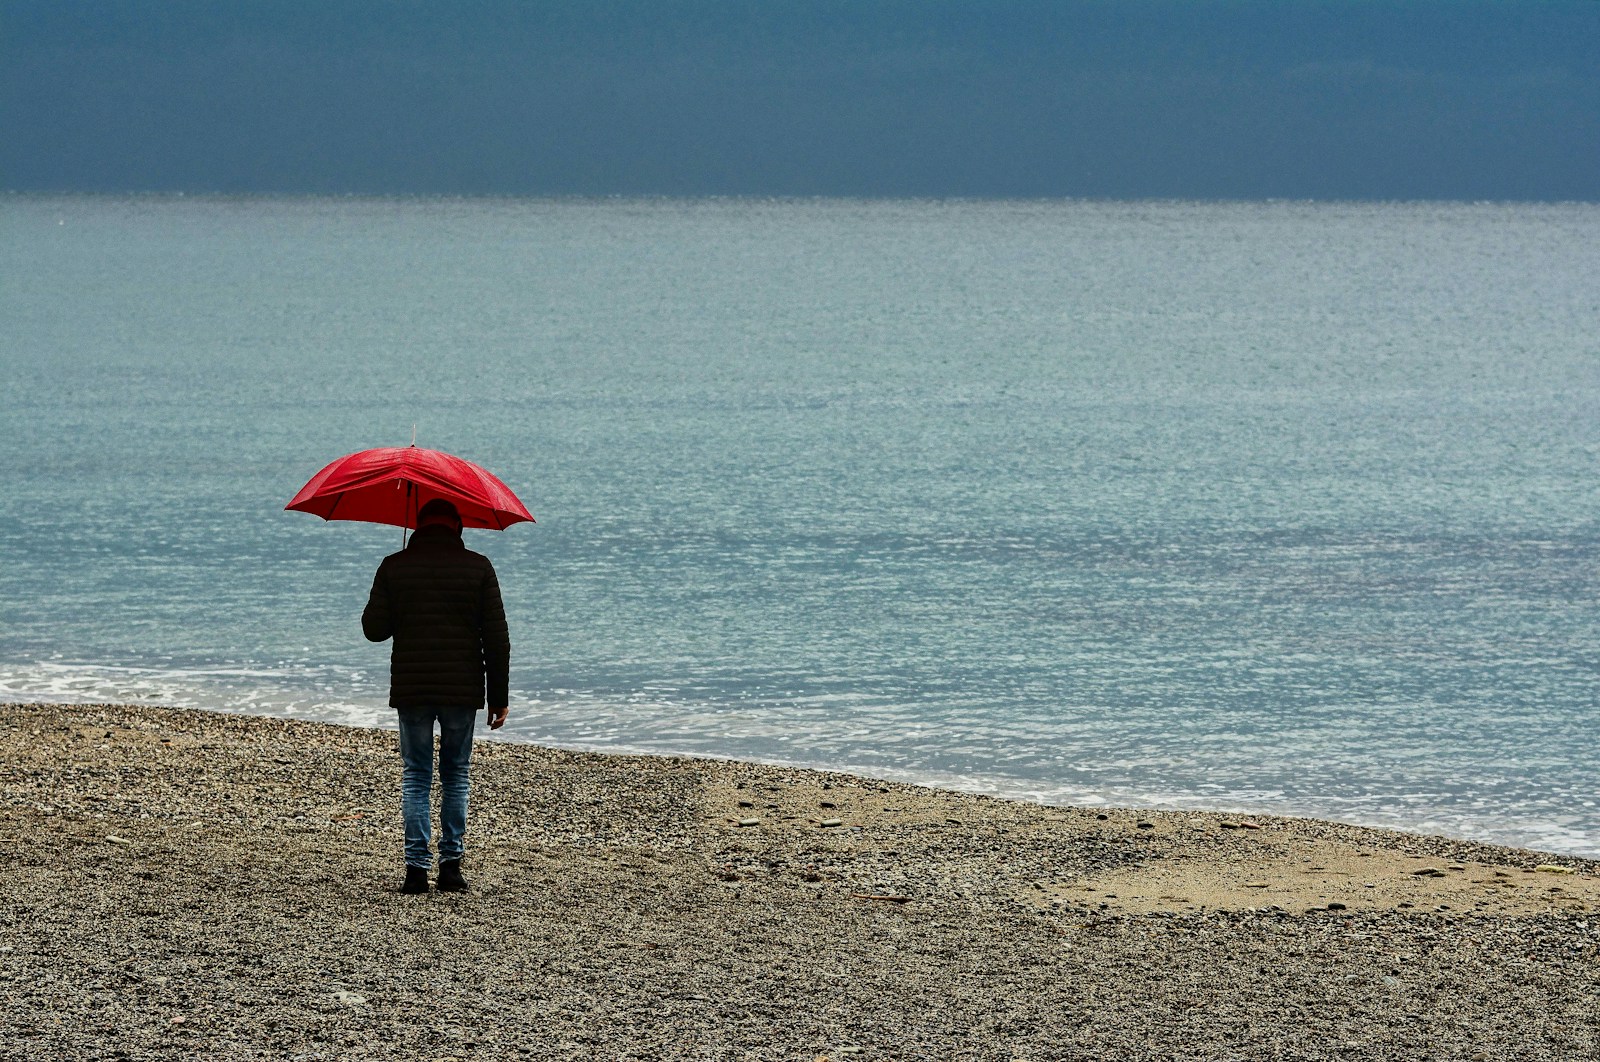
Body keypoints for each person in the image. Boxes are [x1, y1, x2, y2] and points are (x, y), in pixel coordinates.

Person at [362, 497, 510, 894]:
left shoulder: (394, 566)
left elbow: (373, 629)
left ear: (419, 526)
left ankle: (414, 871)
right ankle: (450, 867)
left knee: (416, 775)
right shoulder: (479, 567)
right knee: (456, 774)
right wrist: (498, 697)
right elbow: (497, 638)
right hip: (462, 689)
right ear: (458, 529)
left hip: (412, 687)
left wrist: (398, 594)